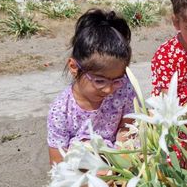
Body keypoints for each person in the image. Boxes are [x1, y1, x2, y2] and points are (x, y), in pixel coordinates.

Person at [47, 9, 135, 164]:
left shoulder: (124, 88)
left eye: (116, 80)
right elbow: (57, 161)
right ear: (74, 67)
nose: (109, 90)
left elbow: (127, 128)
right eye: (100, 81)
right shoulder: (60, 109)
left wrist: (121, 164)